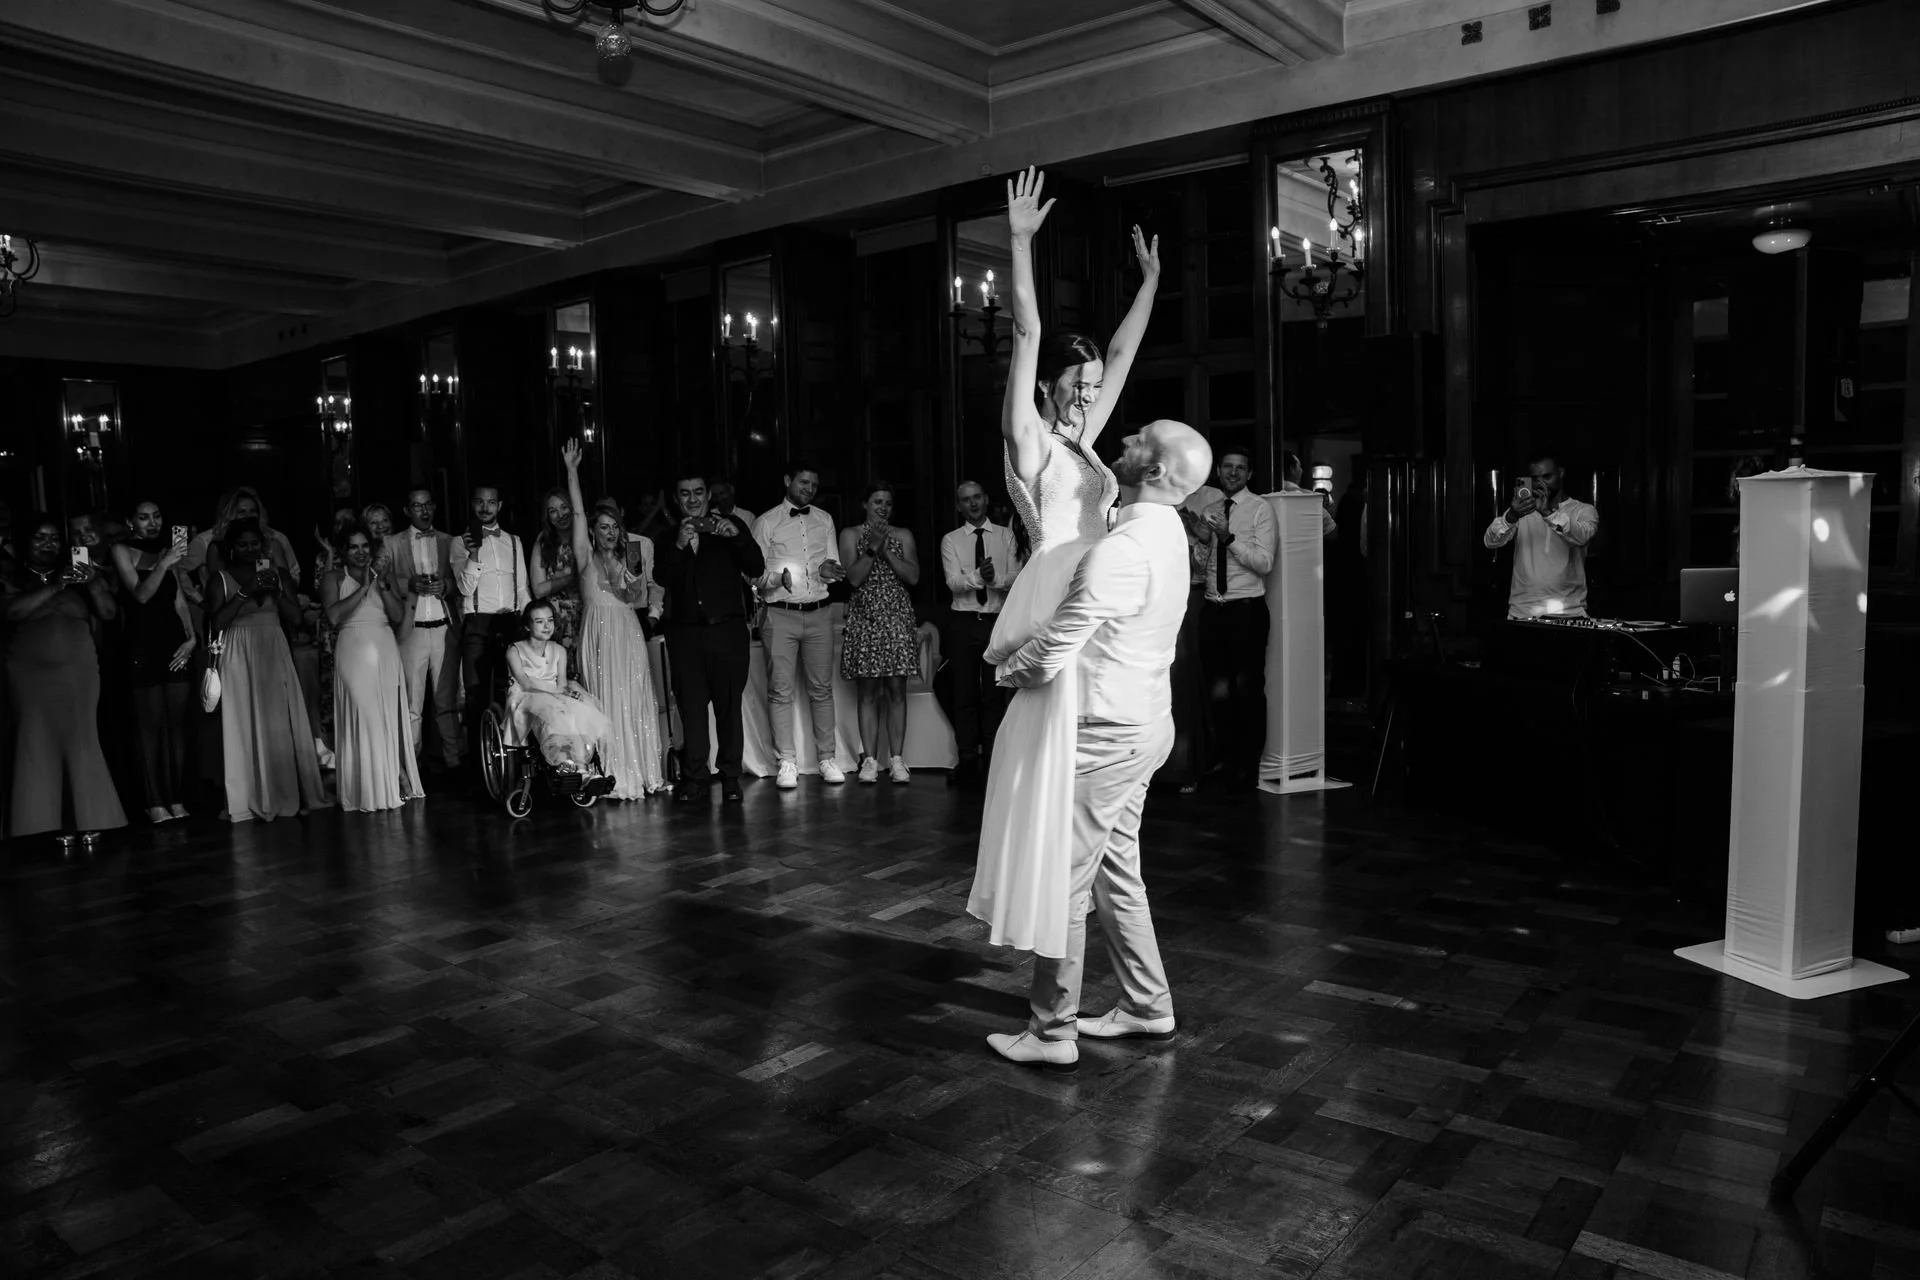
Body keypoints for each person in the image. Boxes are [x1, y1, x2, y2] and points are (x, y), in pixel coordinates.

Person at [969, 165, 1161, 956]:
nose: (1087, 396)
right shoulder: (1032, 440)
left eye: (1089, 388)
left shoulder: (1082, 436)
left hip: (1096, 593)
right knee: (1059, 768)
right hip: (1057, 585)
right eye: (1074, 387)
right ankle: (1057, 919)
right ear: (1047, 389)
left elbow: (1119, 354)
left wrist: (1149, 283)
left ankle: (1083, 905)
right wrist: (1017, 241)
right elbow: (1025, 333)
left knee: (1094, 766)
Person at [983, 421, 1212, 1071]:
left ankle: (1051, 1031)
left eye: (1144, 436)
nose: (1130, 433)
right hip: (1143, 725)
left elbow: (1058, 645)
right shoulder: (1161, 528)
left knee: (1064, 882)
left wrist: (1005, 669)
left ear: (1161, 472)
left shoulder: (1124, 548)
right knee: (1115, 870)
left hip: (1106, 736)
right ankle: (1146, 1004)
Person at [3, 514, 128, 841]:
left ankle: (88, 817)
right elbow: (11, 612)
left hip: (78, 670)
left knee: (81, 737)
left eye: (55, 538)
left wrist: (90, 582)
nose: (49, 544)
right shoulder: (12, 576)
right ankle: (43, 821)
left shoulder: (85, 574)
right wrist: (59, 584)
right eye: (40, 538)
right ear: (26, 542)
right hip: (28, 673)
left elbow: (109, 613)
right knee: (35, 739)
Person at [204, 519, 330, 822]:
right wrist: (245, 592)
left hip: (273, 647)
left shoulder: (279, 574)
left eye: (254, 544)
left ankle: (284, 792)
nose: (249, 550)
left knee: (278, 722)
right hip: (239, 651)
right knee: (245, 721)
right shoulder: (220, 578)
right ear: (231, 548)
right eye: (242, 544)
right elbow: (216, 623)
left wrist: (277, 589)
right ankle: (247, 797)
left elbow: (295, 618)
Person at [563, 440, 667, 797]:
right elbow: (577, 515)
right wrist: (572, 472)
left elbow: (636, 600)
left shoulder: (632, 555)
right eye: (602, 527)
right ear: (593, 531)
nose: (608, 532)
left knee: (633, 698)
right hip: (598, 633)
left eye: (614, 527)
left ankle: (642, 771)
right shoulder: (583, 556)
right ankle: (609, 771)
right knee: (605, 700)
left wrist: (626, 571)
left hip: (627, 631)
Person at [655, 472, 765, 804]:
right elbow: (663, 576)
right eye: (684, 493)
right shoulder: (665, 537)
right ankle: (696, 777)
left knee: (729, 707)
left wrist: (737, 539)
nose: (692, 499)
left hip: (728, 632)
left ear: (708, 496)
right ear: (677, 498)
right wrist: (678, 545)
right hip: (686, 635)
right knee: (692, 708)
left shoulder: (731, 527)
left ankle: (730, 777)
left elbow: (756, 567)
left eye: (698, 492)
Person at [753, 463, 847, 788]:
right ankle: (787, 762)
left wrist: (830, 572)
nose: (809, 488)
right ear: (788, 481)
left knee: (821, 689)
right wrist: (780, 578)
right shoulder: (766, 522)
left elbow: (829, 564)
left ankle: (827, 758)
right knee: (780, 691)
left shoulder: (824, 520)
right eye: (804, 482)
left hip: (820, 611)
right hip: (779, 612)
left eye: (814, 484)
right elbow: (752, 575)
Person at [322, 522, 420, 812]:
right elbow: (334, 616)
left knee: (385, 716)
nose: (361, 552)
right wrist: (363, 588)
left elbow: (399, 615)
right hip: (352, 650)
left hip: (384, 647)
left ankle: (391, 777)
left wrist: (382, 585)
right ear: (343, 550)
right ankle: (390, 778)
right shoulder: (332, 578)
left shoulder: (383, 576)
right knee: (366, 715)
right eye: (354, 546)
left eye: (365, 546)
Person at [110, 501, 197, 823]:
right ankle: (154, 800)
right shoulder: (121, 550)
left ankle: (176, 798)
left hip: (174, 643)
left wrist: (191, 638)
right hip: (142, 643)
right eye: (143, 517)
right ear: (130, 521)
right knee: (149, 727)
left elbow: (179, 601)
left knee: (176, 727)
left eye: (157, 516)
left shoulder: (166, 552)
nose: (152, 522)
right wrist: (163, 564)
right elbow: (141, 595)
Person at [1196, 445, 1277, 788]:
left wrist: (1227, 537)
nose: (1232, 473)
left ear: (1249, 474)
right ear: (1219, 472)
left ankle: (1248, 765)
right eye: (1227, 467)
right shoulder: (1212, 509)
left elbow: (1264, 564)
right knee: (1217, 691)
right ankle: (1223, 760)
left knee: (1247, 690)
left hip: (1246, 610)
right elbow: (1203, 567)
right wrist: (1201, 543)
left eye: (1239, 468)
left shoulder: (1261, 509)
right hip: (1213, 609)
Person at [938, 480, 1020, 786]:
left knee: (994, 693)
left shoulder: (1006, 536)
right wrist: (977, 577)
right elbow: (953, 583)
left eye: (976, 497)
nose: (972, 504)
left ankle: (995, 759)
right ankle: (967, 759)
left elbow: (1016, 578)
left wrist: (993, 578)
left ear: (985, 499)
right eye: (965, 500)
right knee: (964, 693)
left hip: (997, 619)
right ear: (959, 505)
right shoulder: (951, 540)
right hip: (963, 620)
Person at [839, 481, 921, 784]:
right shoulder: (850, 534)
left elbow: (913, 576)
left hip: (897, 617)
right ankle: (870, 760)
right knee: (869, 692)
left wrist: (888, 550)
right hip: (865, 618)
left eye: (887, 502)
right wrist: (873, 546)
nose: (883, 508)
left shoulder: (903, 535)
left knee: (897, 691)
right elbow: (854, 578)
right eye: (877, 502)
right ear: (865, 504)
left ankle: (897, 760)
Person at [452, 481, 530, 774]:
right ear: (473, 504)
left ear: (499, 506)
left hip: (510, 621)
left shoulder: (514, 541)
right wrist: (474, 553)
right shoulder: (459, 542)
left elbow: (522, 588)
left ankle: (514, 763)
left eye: (491, 502)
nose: (485, 508)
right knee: (475, 696)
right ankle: (479, 769)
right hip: (477, 622)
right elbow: (463, 586)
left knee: (513, 691)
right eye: (480, 502)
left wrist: (530, 624)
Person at [391, 489, 463, 774]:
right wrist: (408, 585)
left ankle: (455, 762)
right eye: (416, 505)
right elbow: (384, 582)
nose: (423, 510)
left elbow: (465, 581)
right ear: (408, 510)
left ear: (434, 507)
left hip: (444, 628)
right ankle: (412, 765)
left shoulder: (449, 541)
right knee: (412, 704)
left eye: (427, 505)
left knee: (447, 702)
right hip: (413, 630)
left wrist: (446, 586)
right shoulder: (394, 543)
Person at [1482, 453, 1600, 619]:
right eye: (1535, 478)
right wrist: (1512, 516)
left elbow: (1581, 536)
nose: (1540, 483)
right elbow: (1490, 541)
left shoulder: (1583, 510)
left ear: (1561, 473)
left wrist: (1547, 512)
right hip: (1522, 612)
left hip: (1569, 612)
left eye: (1547, 476)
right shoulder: (1522, 511)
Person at [505, 599, 612, 772]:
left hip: (554, 692)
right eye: (539, 622)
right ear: (527, 626)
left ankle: (581, 767)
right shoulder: (514, 650)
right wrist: (554, 698)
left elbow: (561, 684)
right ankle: (563, 762)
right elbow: (525, 683)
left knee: (574, 711)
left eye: (550, 620)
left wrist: (566, 695)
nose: (546, 626)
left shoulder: (559, 650)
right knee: (552, 712)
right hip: (528, 694)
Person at [529, 486, 582, 655]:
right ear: (547, 517)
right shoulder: (543, 540)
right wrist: (570, 578)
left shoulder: (587, 537)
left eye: (564, 507)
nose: (560, 515)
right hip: (557, 619)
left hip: (588, 613)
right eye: (553, 511)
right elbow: (538, 590)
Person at [1279, 451, 1338, 539]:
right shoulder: (1306, 497)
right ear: (1292, 469)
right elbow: (1331, 530)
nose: (1301, 471)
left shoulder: (1266, 495)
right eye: (1299, 466)